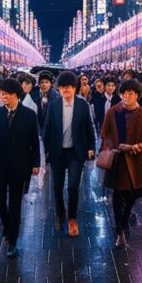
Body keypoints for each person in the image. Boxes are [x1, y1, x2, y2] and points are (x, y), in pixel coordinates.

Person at [0, 78, 40, 259]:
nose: (3, 96)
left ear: (16, 94)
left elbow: (34, 142)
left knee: (15, 203)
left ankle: (12, 241)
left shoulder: (29, 115)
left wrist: (36, 163)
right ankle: (8, 225)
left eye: (6, 93)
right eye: (1, 93)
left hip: (20, 166)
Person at [100, 78, 142, 248]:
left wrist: (139, 146)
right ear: (120, 94)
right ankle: (120, 231)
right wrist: (111, 146)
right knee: (117, 195)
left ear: (137, 95)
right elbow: (105, 132)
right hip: (117, 160)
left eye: (131, 93)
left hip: (136, 161)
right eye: (124, 93)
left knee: (132, 195)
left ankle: (123, 223)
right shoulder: (113, 112)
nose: (127, 96)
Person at [42, 72, 96, 236]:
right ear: (59, 88)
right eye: (63, 87)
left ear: (74, 88)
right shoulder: (54, 105)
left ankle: (72, 218)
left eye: (69, 87)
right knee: (57, 188)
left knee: (73, 187)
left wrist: (92, 146)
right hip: (57, 153)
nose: (66, 90)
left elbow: (89, 128)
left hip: (75, 152)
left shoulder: (82, 105)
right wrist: (45, 153)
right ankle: (60, 214)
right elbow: (47, 130)